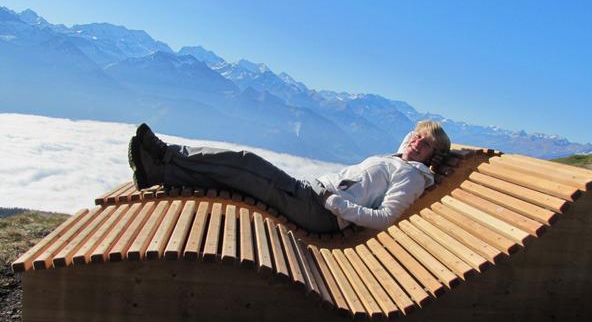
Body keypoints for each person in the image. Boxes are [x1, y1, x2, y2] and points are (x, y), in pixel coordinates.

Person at [128, 120, 450, 233]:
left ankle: (164, 158)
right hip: (314, 194)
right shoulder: (397, 159)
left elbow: (384, 218)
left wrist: (333, 202)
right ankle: (162, 167)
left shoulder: (411, 177)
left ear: (431, 157)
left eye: (425, 143)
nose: (416, 141)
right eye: (416, 135)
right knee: (239, 174)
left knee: (244, 164)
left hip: (320, 210)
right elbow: (408, 146)